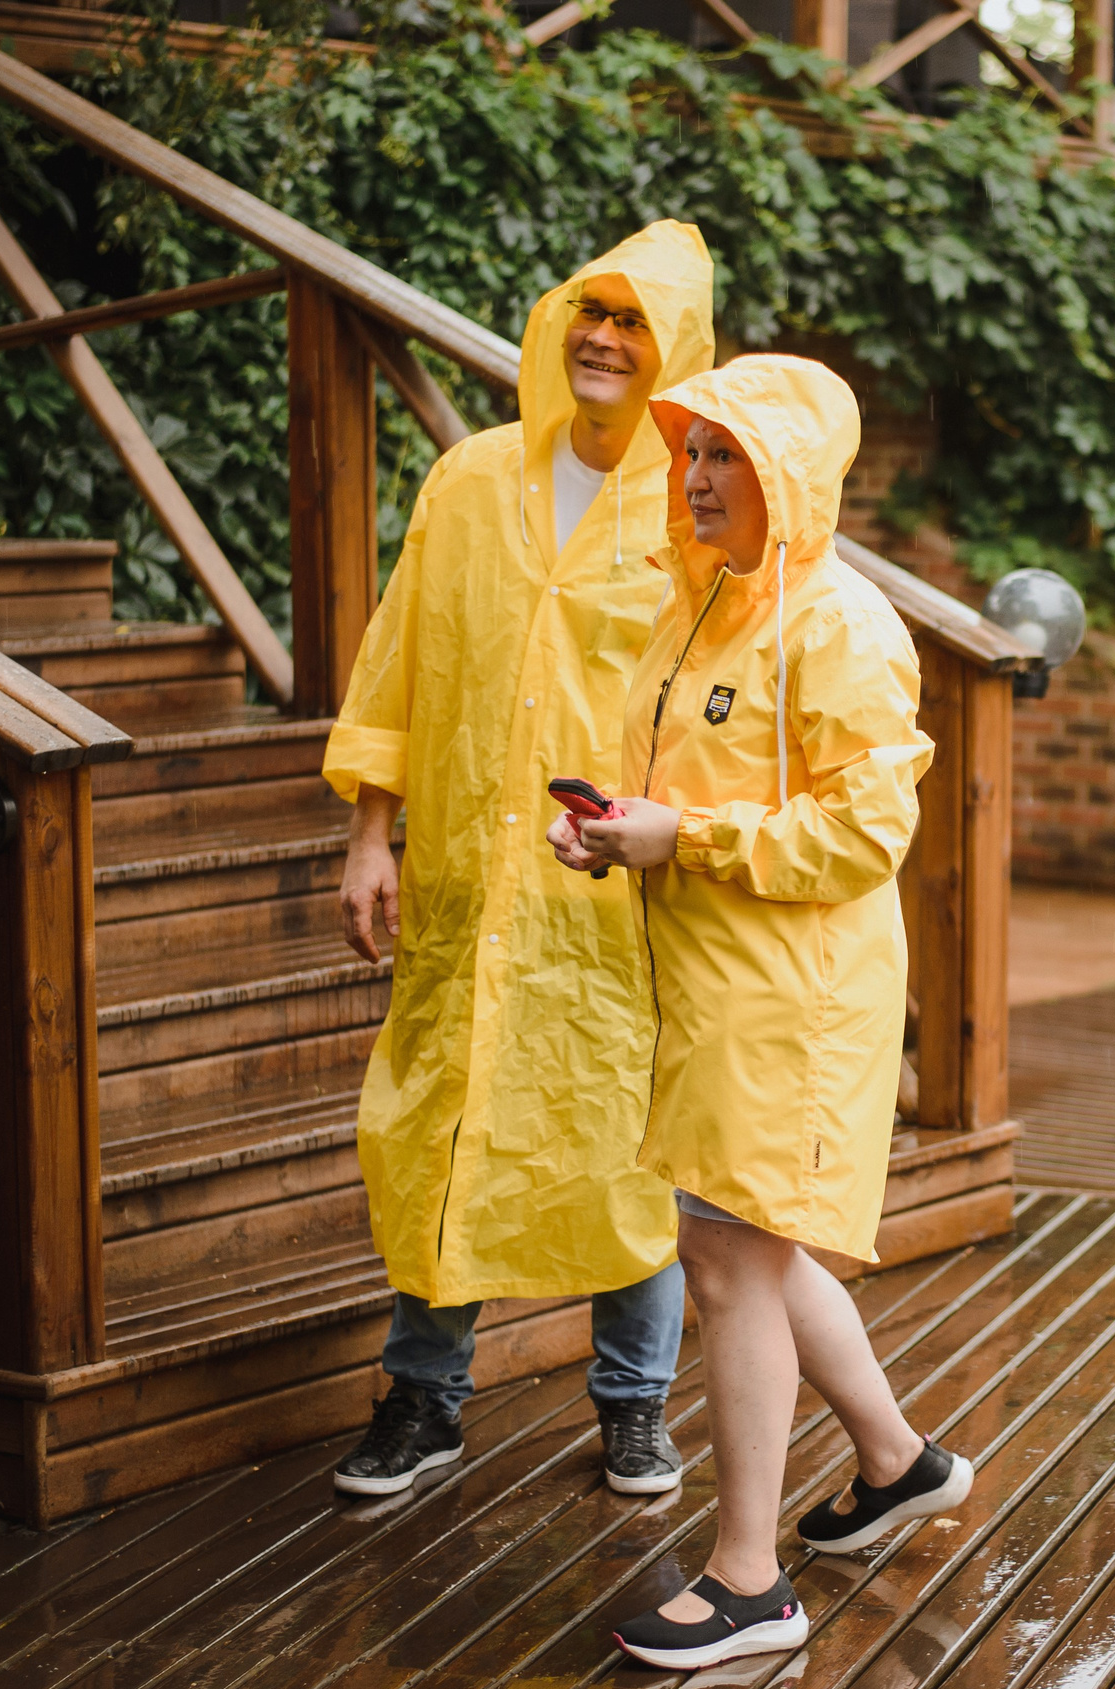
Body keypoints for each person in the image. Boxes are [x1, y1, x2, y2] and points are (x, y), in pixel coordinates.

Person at [547, 355, 973, 1670]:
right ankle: (896, 1462)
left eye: (726, 453)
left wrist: (683, 838)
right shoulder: (698, 606)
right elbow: (690, 788)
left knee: (730, 1258)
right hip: (712, 985)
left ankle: (749, 1581)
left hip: (796, 998)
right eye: (691, 451)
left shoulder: (841, 624)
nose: (697, 475)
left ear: (788, 474)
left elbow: (864, 832)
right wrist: (617, 828)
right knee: (758, 1252)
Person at [322, 223, 715, 1499]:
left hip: (613, 892)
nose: (602, 337)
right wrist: (369, 833)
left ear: (675, 349)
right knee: (439, 1120)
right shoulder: (472, 479)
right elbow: (399, 658)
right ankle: (422, 1399)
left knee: (625, 1144)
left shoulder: (694, 508)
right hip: (464, 872)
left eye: (634, 321)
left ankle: (635, 1406)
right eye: (590, 310)